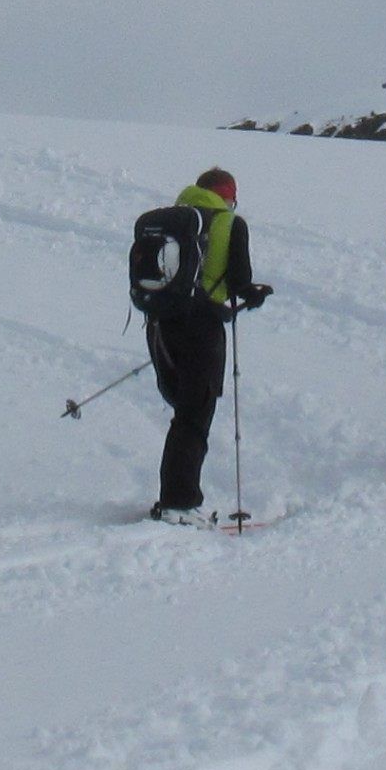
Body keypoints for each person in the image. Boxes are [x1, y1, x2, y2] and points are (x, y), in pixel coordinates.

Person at [145, 168, 269, 524]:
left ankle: (175, 498)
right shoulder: (230, 223)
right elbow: (240, 280)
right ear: (228, 195)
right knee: (194, 414)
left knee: (184, 411)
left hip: (161, 322)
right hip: (202, 326)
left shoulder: (173, 219)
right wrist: (254, 295)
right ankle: (179, 504)